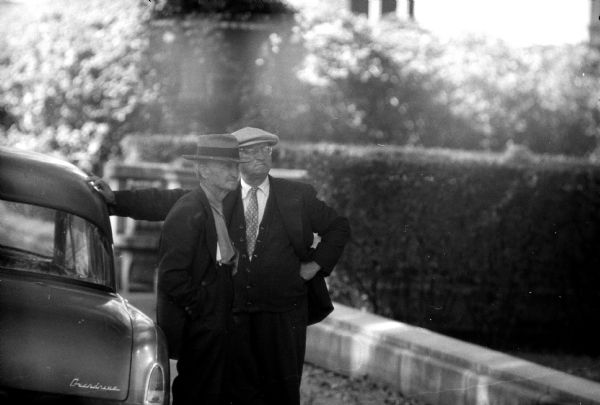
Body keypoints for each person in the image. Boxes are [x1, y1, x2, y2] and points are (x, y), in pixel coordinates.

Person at [94, 127, 351, 405]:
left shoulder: (296, 196)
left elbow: (338, 227)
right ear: (237, 157)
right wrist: (116, 200)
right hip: (234, 316)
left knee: (281, 393)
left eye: (266, 149)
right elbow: (167, 201)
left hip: (283, 315)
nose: (262, 156)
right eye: (251, 151)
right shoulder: (222, 193)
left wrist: (314, 265)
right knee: (230, 390)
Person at [154, 133, 248, 405]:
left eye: (236, 165)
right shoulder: (189, 210)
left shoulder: (217, 205)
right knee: (196, 395)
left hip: (218, 329)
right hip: (201, 330)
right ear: (203, 170)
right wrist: (205, 311)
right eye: (226, 166)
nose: (235, 172)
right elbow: (172, 278)